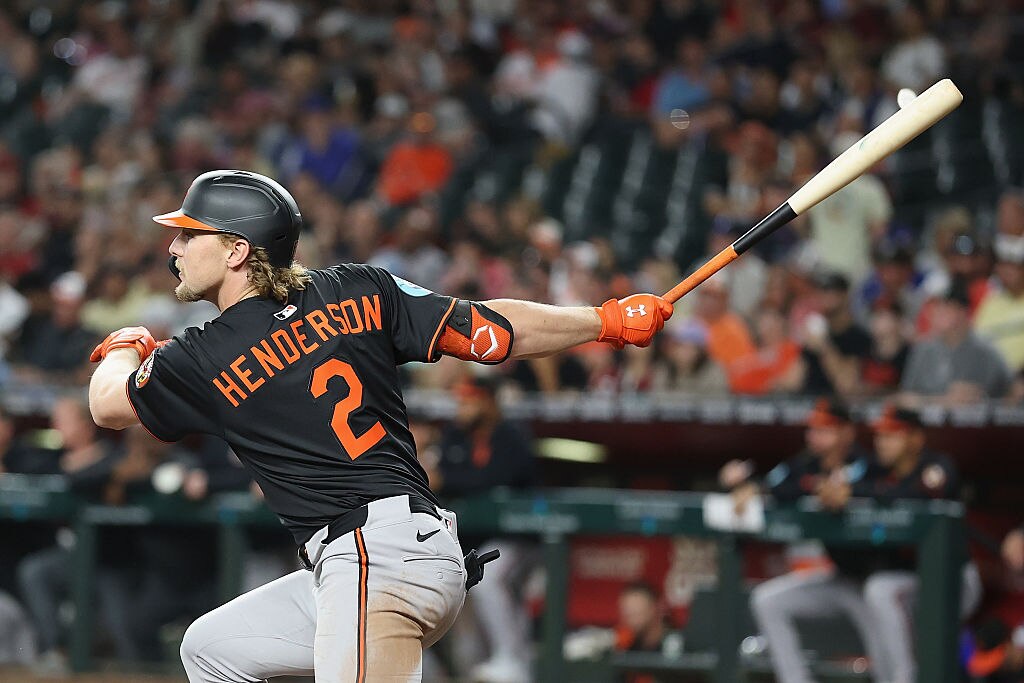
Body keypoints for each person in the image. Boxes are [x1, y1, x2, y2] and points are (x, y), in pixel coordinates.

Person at [86, 169, 673, 683]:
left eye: (192, 234)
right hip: (396, 554)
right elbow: (492, 330)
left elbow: (106, 406)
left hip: (372, 558)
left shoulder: (201, 354)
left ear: (237, 250)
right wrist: (605, 320)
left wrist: (125, 344)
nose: (176, 246)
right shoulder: (358, 286)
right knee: (212, 651)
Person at [729, 398, 888, 683]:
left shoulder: (868, 464)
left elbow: (876, 488)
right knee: (767, 600)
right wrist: (751, 488)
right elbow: (774, 484)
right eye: (813, 429)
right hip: (842, 579)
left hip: (877, 579)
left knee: (885, 660)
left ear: (847, 432)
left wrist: (848, 493)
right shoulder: (805, 464)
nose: (815, 436)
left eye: (826, 429)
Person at [851, 405, 981, 683]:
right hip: (909, 578)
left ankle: (906, 678)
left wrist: (867, 493)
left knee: (882, 592)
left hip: (953, 579)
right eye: (880, 436)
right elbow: (848, 484)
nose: (882, 442)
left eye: (892, 435)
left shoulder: (937, 466)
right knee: (877, 592)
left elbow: (919, 494)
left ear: (916, 438)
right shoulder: (875, 470)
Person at [901, 277, 1012, 405]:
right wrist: (942, 400)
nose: (936, 312)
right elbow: (904, 397)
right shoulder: (923, 349)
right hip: (927, 423)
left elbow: (1011, 393)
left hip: (978, 423)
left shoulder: (987, 350)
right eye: (933, 306)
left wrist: (981, 398)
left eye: (945, 306)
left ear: (963, 311)